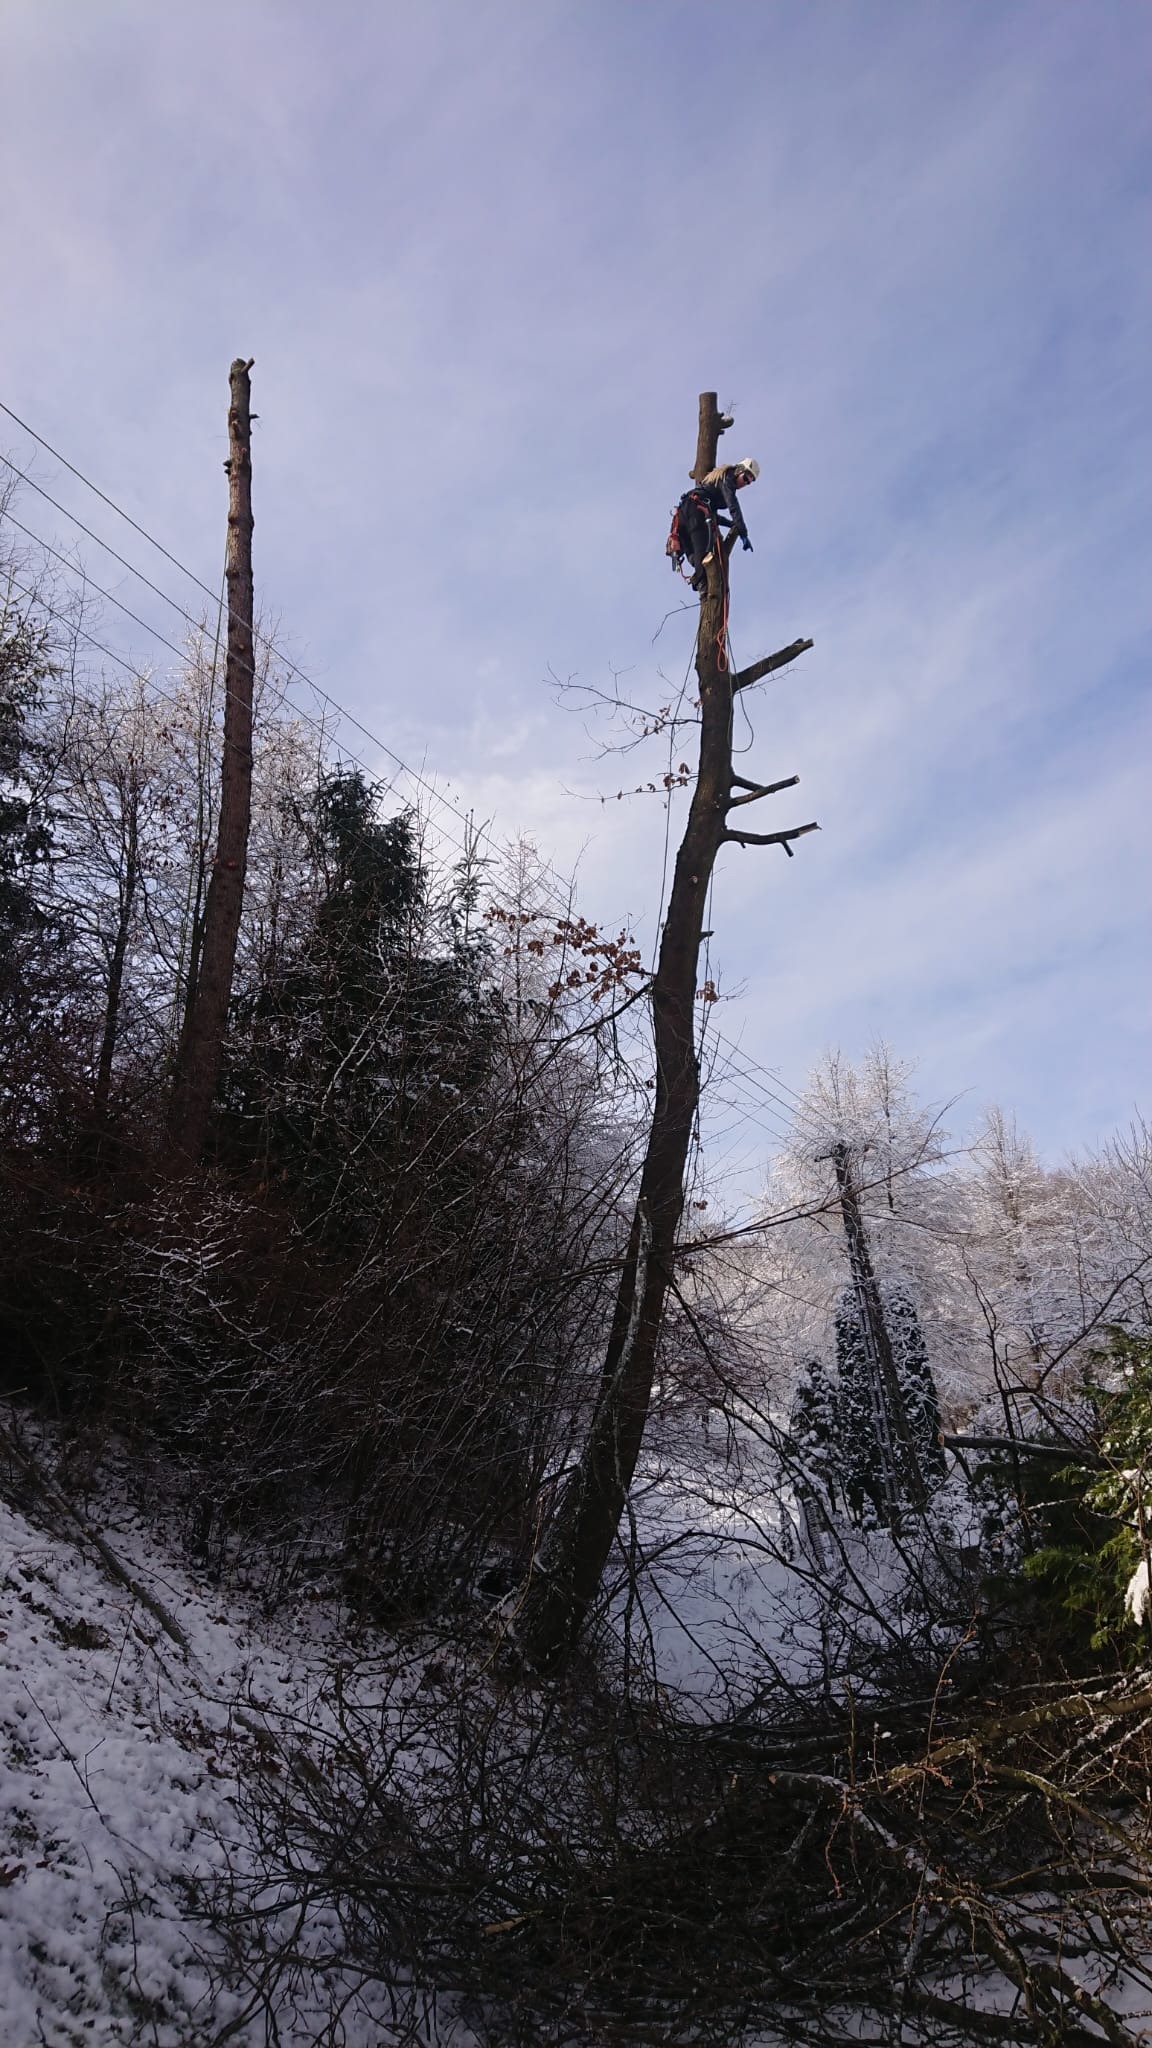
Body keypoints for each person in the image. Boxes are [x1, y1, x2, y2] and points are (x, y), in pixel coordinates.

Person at [673, 458, 760, 591]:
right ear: (740, 470)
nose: (745, 483)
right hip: (695, 512)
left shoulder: (717, 480)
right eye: (746, 478)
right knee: (702, 553)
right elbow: (733, 505)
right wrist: (743, 531)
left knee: (693, 557)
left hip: (687, 511)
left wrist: (731, 524)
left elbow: (713, 515)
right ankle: (703, 587)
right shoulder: (728, 478)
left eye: (749, 482)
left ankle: (700, 581)